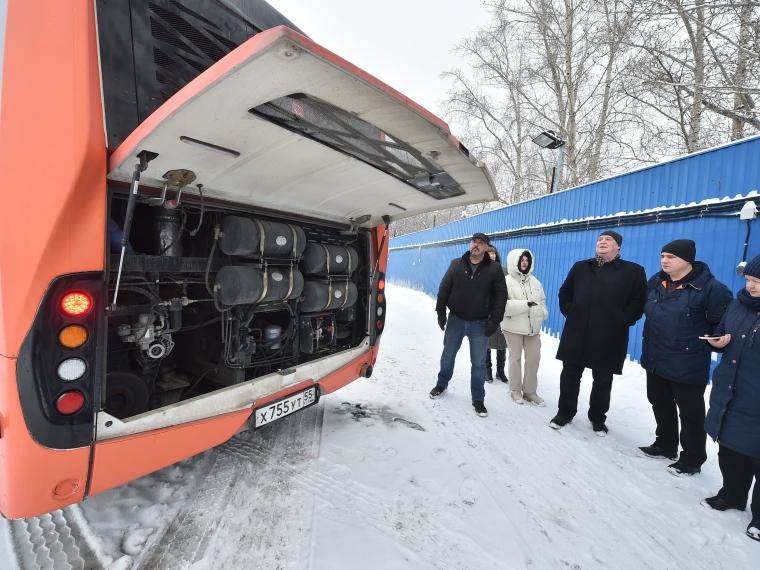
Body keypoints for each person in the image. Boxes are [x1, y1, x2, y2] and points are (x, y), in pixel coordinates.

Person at [638, 239, 732, 476]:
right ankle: (666, 444)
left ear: (687, 261)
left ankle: (692, 459)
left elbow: (724, 323)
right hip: (655, 356)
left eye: (671, 257)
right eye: (662, 256)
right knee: (659, 402)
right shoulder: (657, 282)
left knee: (690, 414)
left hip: (687, 361)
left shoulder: (711, 288)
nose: (664, 261)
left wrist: (718, 339)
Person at [551, 230, 647, 435]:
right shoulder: (581, 267)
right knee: (570, 375)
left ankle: (597, 418)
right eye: (600, 239)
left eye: (608, 239)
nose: (602, 242)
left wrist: (623, 320)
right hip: (577, 331)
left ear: (618, 246)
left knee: (603, 379)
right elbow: (565, 291)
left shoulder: (633, 271)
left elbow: (638, 302)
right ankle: (564, 413)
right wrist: (570, 310)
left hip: (610, 335)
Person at [702, 252, 760, 542]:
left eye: (758, 281)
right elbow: (723, 332)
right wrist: (718, 341)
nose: (751, 286)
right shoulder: (739, 304)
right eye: (749, 279)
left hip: (756, 396)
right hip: (731, 391)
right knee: (731, 451)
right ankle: (732, 495)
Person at [430, 233, 508, 417]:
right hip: (455, 320)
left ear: (487, 248)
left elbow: (501, 297)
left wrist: (494, 320)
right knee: (447, 356)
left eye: (481, 243)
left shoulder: (494, 269)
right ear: (470, 243)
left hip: (480, 323)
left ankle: (478, 399)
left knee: (479, 363)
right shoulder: (456, 264)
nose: (476, 245)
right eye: (474, 242)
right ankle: (442, 384)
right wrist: (440, 311)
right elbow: (444, 287)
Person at [501, 249, 548, 406]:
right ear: (514, 261)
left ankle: (529, 392)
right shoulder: (505, 281)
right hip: (513, 327)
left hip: (532, 329)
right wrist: (526, 305)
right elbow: (502, 306)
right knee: (515, 358)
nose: (524, 263)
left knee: (534, 359)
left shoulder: (535, 282)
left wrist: (543, 313)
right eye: (522, 260)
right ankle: (515, 390)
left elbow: (541, 301)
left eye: (527, 260)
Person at [485, 245, 508, 384]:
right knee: (487, 341)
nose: (492, 255)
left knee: (502, 341)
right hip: (486, 311)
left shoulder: (504, 271)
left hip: (502, 310)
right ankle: (488, 371)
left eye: (493, 253)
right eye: (489, 253)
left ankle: (500, 371)